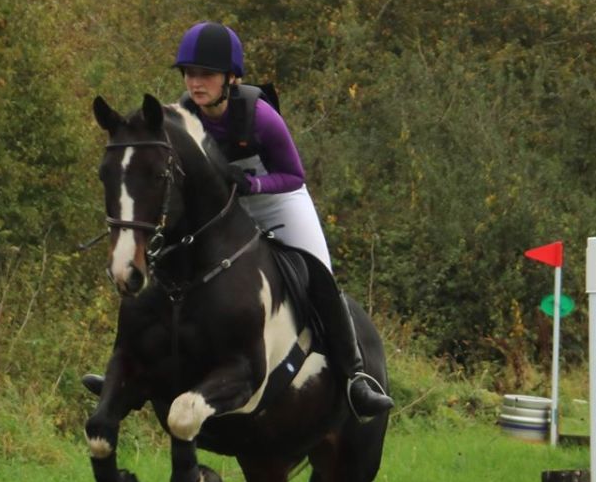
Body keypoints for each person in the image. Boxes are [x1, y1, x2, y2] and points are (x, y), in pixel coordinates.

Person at [87, 21, 392, 419]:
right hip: (228, 205)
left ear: (231, 78)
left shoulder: (261, 117)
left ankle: (354, 377)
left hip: (279, 199)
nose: (196, 83)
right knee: (171, 264)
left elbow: (294, 175)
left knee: (319, 275)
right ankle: (135, 368)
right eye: (189, 74)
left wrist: (252, 183)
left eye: (206, 75)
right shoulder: (182, 115)